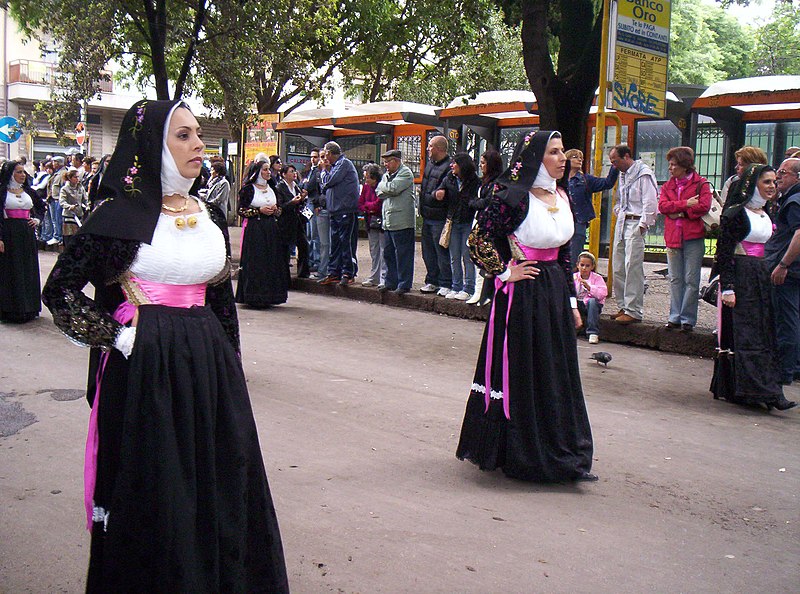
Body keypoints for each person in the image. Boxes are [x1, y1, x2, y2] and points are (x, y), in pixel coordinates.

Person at [41, 100, 288, 591]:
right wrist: (120, 338)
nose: (199, 144)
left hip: (209, 371)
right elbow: (61, 291)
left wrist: (232, 369)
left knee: (219, 478)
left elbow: (220, 301)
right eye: (183, 136)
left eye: (198, 133)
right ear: (153, 148)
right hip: (146, 372)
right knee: (159, 487)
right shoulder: (120, 217)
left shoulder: (208, 212)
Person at [456, 130, 596, 482]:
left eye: (563, 150)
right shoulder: (512, 197)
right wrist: (504, 272)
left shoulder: (562, 195)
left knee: (555, 369)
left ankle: (559, 445)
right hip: (522, 295)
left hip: (552, 295)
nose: (562, 158)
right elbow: (479, 238)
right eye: (554, 152)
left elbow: (564, 255)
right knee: (524, 368)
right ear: (534, 158)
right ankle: (521, 451)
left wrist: (572, 303)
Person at [711, 164, 796, 411]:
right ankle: (745, 389)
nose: (772, 186)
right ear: (751, 184)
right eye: (766, 182)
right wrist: (727, 287)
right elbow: (724, 252)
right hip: (740, 275)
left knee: (764, 333)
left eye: (774, 182)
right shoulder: (735, 214)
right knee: (743, 334)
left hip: (760, 274)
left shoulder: (766, 211)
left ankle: (768, 390)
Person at [658, 146, 712, 332]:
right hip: (673, 237)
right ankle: (674, 316)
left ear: (684, 165)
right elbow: (663, 206)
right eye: (670, 165)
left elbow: (704, 206)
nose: (670, 168)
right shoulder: (668, 185)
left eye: (673, 164)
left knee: (691, 278)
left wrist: (678, 212)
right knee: (674, 278)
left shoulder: (701, 184)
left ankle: (687, 318)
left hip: (693, 236)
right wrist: (685, 205)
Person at [608, 144, 658, 325]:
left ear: (626, 156)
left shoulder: (643, 174)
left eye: (615, 161)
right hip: (623, 221)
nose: (614, 165)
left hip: (636, 221)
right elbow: (620, 199)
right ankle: (623, 305)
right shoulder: (622, 175)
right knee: (618, 265)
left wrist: (644, 224)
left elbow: (650, 200)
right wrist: (618, 210)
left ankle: (634, 309)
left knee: (632, 266)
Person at [765, 157, 800, 386]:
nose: (778, 177)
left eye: (783, 173)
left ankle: (785, 370)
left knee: (786, 319)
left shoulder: (794, 201)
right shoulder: (789, 198)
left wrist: (783, 265)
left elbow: (798, 234)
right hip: (791, 268)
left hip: (789, 270)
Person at [236, 159, 290, 306]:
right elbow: (241, 210)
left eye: (268, 170)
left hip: (271, 229)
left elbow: (279, 209)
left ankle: (270, 295)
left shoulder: (273, 188)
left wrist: (275, 210)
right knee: (256, 261)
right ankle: (254, 295)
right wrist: (258, 210)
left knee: (271, 261)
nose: (268, 172)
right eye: (265, 170)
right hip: (255, 229)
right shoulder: (248, 189)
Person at [0, 161, 45, 323]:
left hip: (27, 235)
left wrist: (37, 220)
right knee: (12, 269)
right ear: (10, 174)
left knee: (27, 269)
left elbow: (41, 208)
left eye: (23, 172)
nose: (22, 175)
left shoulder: (29, 192)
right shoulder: (2, 192)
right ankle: (11, 309)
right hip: (9, 234)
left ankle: (29, 307)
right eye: (18, 172)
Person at [564, 148, 619, 268]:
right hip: (561, 223)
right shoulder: (558, 180)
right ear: (566, 160)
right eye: (575, 157)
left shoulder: (585, 179)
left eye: (581, 158)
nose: (579, 159)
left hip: (579, 223)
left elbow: (607, 183)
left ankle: (574, 282)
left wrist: (615, 166)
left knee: (574, 258)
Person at [435, 152, 479, 300]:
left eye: (455, 163)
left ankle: (469, 288)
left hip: (467, 222)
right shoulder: (450, 178)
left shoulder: (475, 181)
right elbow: (439, 189)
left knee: (467, 256)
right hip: (453, 222)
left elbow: (475, 200)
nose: (452, 166)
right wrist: (439, 192)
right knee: (454, 256)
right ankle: (456, 286)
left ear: (463, 165)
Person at [318, 141, 360, 286]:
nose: (324, 158)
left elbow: (328, 181)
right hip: (334, 210)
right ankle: (334, 272)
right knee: (335, 242)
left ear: (329, 153)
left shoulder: (344, 164)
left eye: (325, 154)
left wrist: (324, 171)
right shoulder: (335, 167)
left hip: (345, 209)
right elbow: (324, 186)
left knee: (345, 242)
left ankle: (348, 272)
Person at [466, 149, 504, 305]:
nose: (480, 166)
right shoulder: (485, 181)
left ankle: (484, 292)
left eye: (483, 163)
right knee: (477, 255)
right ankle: (479, 291)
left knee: (486, 256)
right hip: (479, 221)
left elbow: (486, 202)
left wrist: (474, 202)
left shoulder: (497, 183)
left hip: (488, 225)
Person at [376, 149, 416, 294]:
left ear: (397, 161)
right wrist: (384, 188)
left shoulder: (405, 173)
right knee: (389, 254)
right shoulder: (387, 175)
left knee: (403, 255)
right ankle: (390, 282)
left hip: (402, 222)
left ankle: (404, 284)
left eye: (388, 161)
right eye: (384, 162)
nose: (385, 164)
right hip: (388, 222)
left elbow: (393, 189)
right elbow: (379, 192)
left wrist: (383, 188)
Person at [419, 135, 452, 295]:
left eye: (430, 146)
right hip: (427, 215)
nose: (428, 149)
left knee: (441, 251)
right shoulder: (430, 164)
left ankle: (446, 282)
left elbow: (446, 190)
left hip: (439, 217)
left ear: (439, 148)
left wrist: (436, 194)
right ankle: (432, 280)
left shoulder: (448, 167)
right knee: (428, 251)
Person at [275, 163, 310, 278]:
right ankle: (284, 276)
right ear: (284, 174)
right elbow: (280, 206)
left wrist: (302, 198)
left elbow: (300, 203)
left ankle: (303, 272)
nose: (294, 174)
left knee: (304, 244)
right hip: (286, 222)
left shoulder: (295, 186)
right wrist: (292, 202)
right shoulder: (280, 187)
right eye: (291, 171)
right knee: (285, 249)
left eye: (295, 171)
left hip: (297, 220)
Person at [358, 163, 386, 287]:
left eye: (367, 177)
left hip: (380, 222)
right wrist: (370, 208)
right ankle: (374, 276)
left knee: (383, 250)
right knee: (374, 250)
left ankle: (383, 277)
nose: (366, 180)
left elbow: (378, 204)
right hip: (370, 222)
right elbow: (360, 203)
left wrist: (367, 207)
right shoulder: (366, 187)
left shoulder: (381, 186)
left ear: (374, 177)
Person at [573, 251, 608, 344]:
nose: (584, 268)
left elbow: (603, 293)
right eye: (582, 265)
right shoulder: (574, 277)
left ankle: (593, 332)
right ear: (577, 265)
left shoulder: (597, 278)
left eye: (587, 266)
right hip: (578, 304)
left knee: (592, 302)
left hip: (592, 305)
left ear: (592, 267)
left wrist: (589, 287)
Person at [304, 149, 325, 277]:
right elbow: (303, 184)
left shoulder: (318, 171)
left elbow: (309, 186)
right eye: (312, 157)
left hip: (314, 204)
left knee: (315, 235)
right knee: (309, 234)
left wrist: (306, 184)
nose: (314, 159)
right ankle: (311, 259)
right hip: (309, 203)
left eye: (316, 157)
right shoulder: (310, 170)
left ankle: (316, 260)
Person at [58, 168, 88, 248]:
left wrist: (87, 206)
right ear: (70, 178)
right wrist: (69, 206)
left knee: (78, 237)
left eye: (78, 177)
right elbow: (62, 202)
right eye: (75, 177)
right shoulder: (64, 189)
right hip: (69, 216)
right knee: (69, 238)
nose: (77, 179)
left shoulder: (81, 188)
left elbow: (85, 199)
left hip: (79, 215)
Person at [43, 156, 66, 246]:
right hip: (52, 199)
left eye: (55, 162)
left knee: (57, 219)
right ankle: (56, 235)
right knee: (53, 219)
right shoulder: (56, 173)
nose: (53, 164)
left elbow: (62, 187)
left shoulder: (63, 173)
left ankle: (58, 237)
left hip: (57, 199)